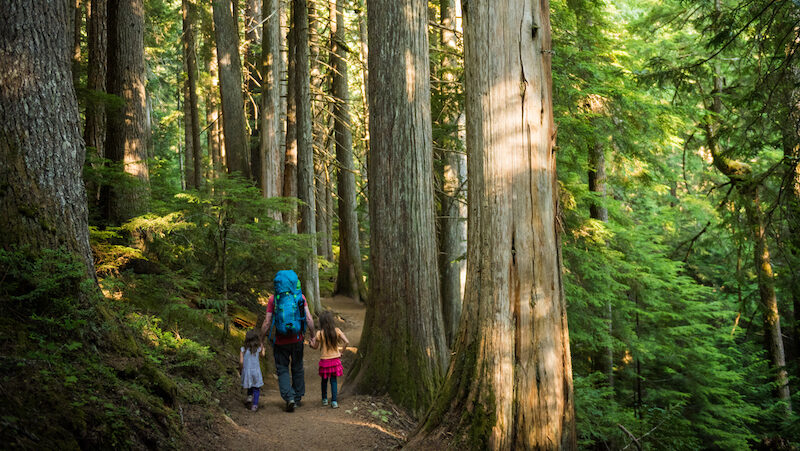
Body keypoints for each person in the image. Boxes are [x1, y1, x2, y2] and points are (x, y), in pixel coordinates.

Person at [261, 270, 316, 412]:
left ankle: (289, 397)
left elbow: (267, 322)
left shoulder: (274, 299)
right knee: (297, 367)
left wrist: (261, 340)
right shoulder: (300, 297)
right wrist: (313, 335)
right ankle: (297, 398)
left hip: (280, 341)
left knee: (282, 369)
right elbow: (309, 319)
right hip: (297, 339)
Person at [309, 310, 349, 409]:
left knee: (324, 380)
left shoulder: (319, 333)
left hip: (324, 361)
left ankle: (324, 399)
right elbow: (347, 342)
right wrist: (341, 352)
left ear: (321, 322)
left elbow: (315, 347)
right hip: (335, 360)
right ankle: (334, 401)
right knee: (334, 381)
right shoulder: (337, 331)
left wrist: (311, 344)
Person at [240, 329, 265, 412]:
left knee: (249, 384)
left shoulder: (243, 349)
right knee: (256, 388)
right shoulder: (257, 349)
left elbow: (241, 361)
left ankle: (249, 397)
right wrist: (263, 348)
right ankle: (255, 405)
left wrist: (241, 369)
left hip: (247, 371)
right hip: (256, 371)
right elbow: (263, 355)